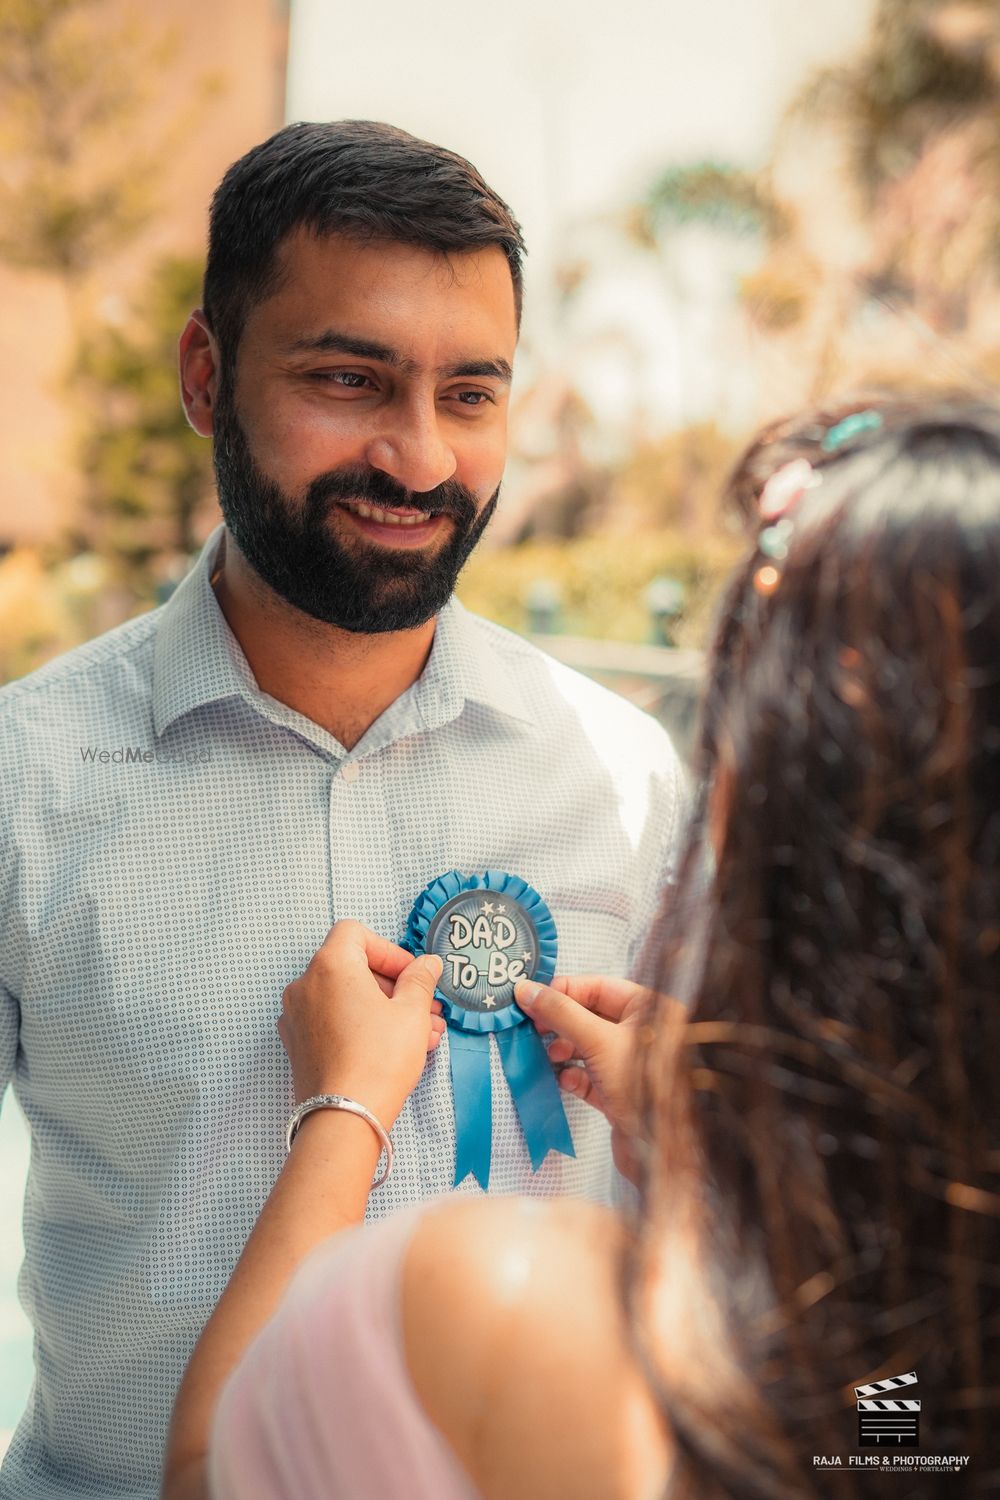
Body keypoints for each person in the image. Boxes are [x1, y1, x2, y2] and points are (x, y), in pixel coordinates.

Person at [0, 121, 686, 1499]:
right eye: (350, 379)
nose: (420, 460)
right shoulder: (25, 789)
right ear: (209, 375)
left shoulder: (624, 779)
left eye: (471, 394)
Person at [162, 397, 996, 1499]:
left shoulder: (498, 1301)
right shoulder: (911, 1350)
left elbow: (207, 1469)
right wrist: (733, 1155)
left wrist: (342, 1113)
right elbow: (893, 1443)